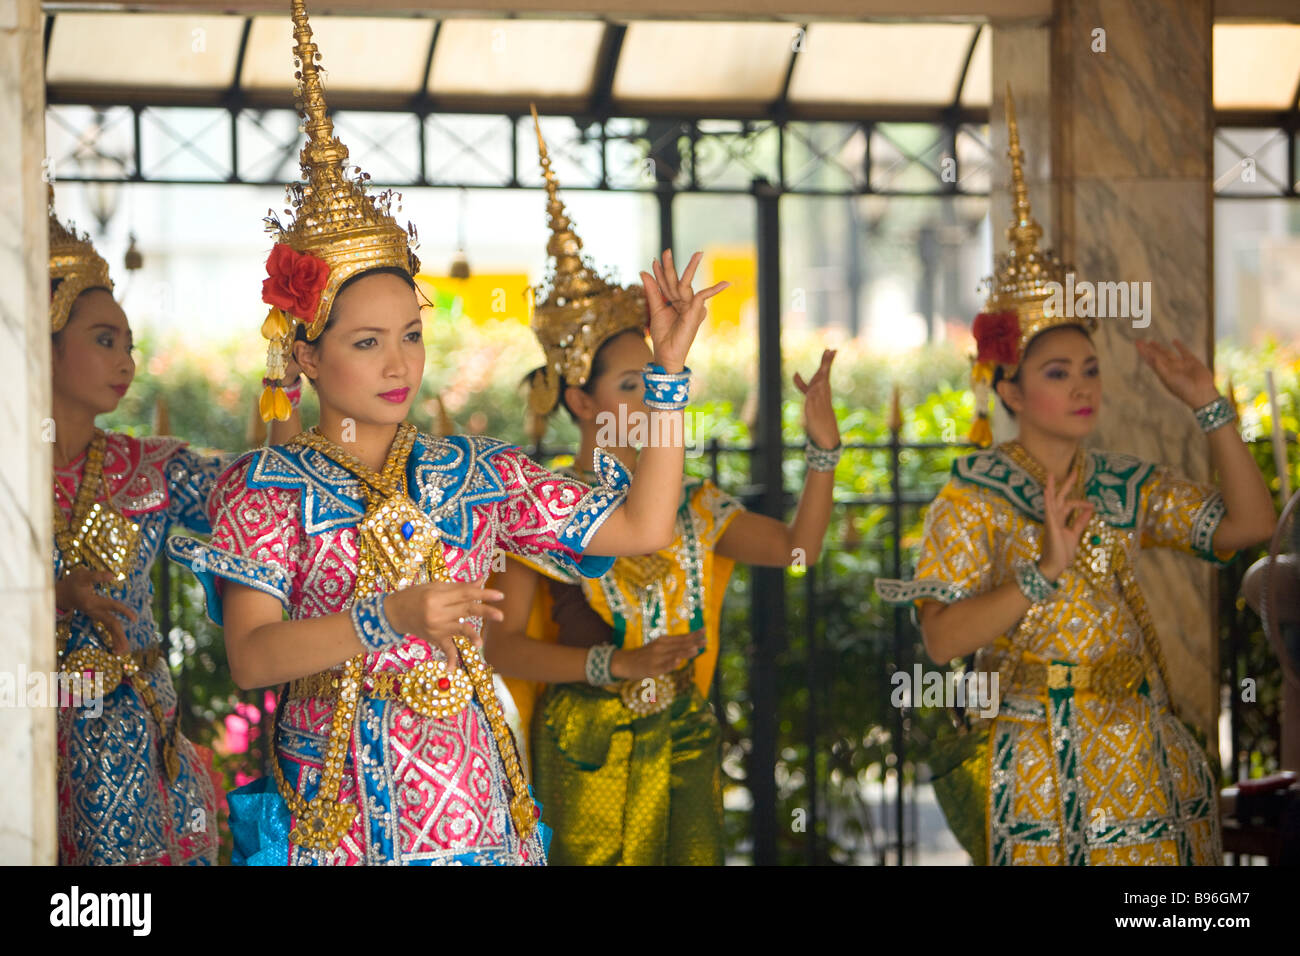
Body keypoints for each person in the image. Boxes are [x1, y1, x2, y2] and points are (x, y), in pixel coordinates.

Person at [165, 0, 727, 866]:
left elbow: (644, 528)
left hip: (479, 821)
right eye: (366, 342)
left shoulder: (473, 471)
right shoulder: (264, 487)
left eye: (411, 335)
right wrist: (390, 616)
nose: (400, 364)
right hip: (342, 829)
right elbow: (252, 657)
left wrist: (669, 378)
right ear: (305, 359)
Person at [875, 93, 1276, 865]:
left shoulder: (1120, 483)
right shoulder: (974, 495)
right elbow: (941, 638)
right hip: (1039, 760)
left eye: (1090, 369)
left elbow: (1250, 528)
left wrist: (1208, 405)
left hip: (1142, 751)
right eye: (1058, 372)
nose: (1084, 386)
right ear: (1011, 391)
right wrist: (1043, 572)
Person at [480, 112, 840, 865]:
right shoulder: (540, 506)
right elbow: (499, 645)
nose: (649, 400)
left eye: (659, 382)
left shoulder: (695, 506)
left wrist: (822, 451)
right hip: (586, 742)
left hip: (685, 733)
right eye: (629, 384)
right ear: (579, 402)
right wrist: (613, 666)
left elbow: (800, 552)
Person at [49, 186, 303, 865]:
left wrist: (287, 366)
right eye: (104, 341)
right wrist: (53, 596)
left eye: (129, 343)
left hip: (129, 739)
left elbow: (270, 489)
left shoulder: (150, 467)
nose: (126, 361)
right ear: (41, 345)